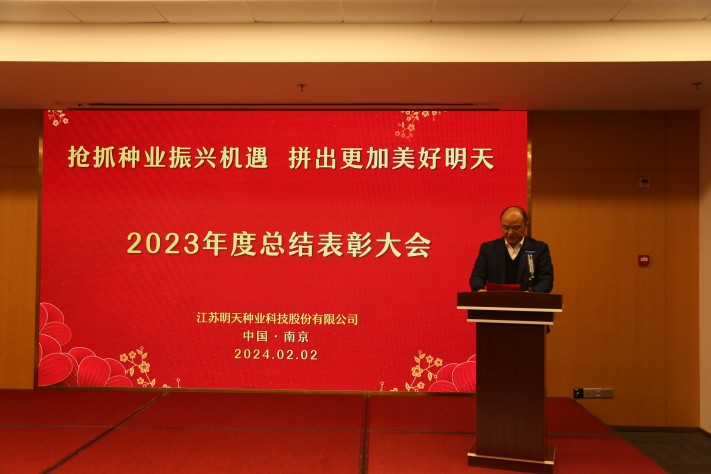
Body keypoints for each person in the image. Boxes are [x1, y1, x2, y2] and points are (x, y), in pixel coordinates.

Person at [469, 205, 553, 293]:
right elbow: (477, 276)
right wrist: (479, 289)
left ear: (526, 225)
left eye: (516, 228)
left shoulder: (539, 248)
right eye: (506, 228)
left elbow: (546, 280)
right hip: (496, 300)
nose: (510, 232)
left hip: (527, 300)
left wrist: (532, 293)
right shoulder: (488, 249)